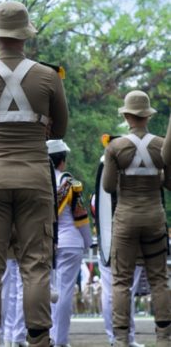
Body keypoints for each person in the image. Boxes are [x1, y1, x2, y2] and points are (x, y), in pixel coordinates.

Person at [0, 1, 68, 346]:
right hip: (35, 176)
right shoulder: (48, 76)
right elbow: (60, 129)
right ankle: (38, 339)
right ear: (25, 34)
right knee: (35, 265)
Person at [102, 90, 171, 346]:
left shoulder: (115, 147)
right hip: (154, 217)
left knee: (121, 280)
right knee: (158, 278)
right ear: (147, 116)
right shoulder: (162, 145)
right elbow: (170, 183)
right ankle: (163, 336)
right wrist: (154, 179)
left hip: (126, 219)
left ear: (128, 115)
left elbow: (108, 187)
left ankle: (121, 338)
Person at [47, 139, 92, 347]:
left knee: (45, 291)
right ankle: (60, 340)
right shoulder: (69, 183)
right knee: (64, 293)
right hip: (71, 242)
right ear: (62, 161)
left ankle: (45, 336)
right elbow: (80, 216)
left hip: (45, 241)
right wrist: (88, 241)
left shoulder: (39, 183)